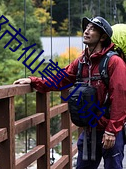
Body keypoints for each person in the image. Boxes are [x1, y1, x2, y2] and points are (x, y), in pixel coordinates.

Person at [13, 16, 126, 169]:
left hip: (109, 130)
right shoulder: (81, 62)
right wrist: (34, 81)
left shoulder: (114, 62)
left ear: (103, 37)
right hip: (89, 130)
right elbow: (61, 79)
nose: (86, 31)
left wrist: (112, 131)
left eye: (92, 29)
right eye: (86, 28)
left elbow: (120, 97)